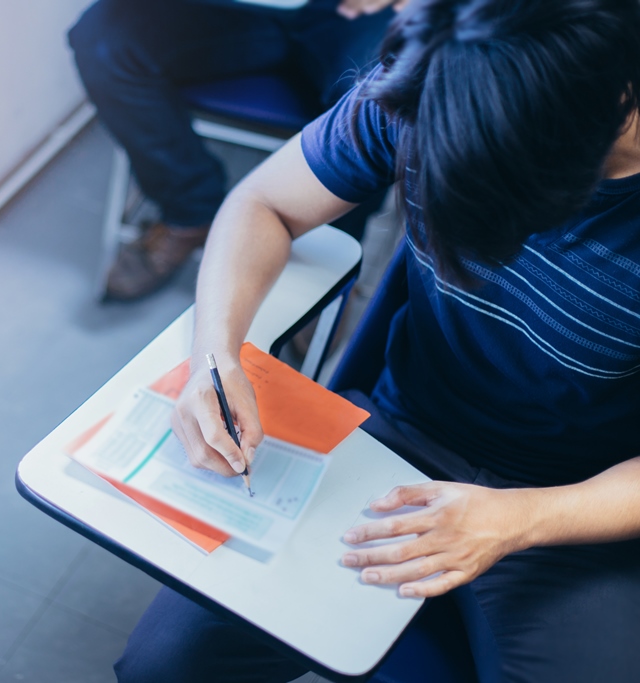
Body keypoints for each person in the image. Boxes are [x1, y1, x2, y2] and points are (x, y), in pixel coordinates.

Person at [114, 0, 640, 681]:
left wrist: (521, 519)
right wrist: (217, 354)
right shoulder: (439, 79)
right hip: (399, 433)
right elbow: (264, 203)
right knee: (164, 667)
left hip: (574, 498)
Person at [69, 0, 408, 301]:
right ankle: (191, 212)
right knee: (101, 42)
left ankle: (327, 261)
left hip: (355, 12)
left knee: (381, 94)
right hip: (229, 10)